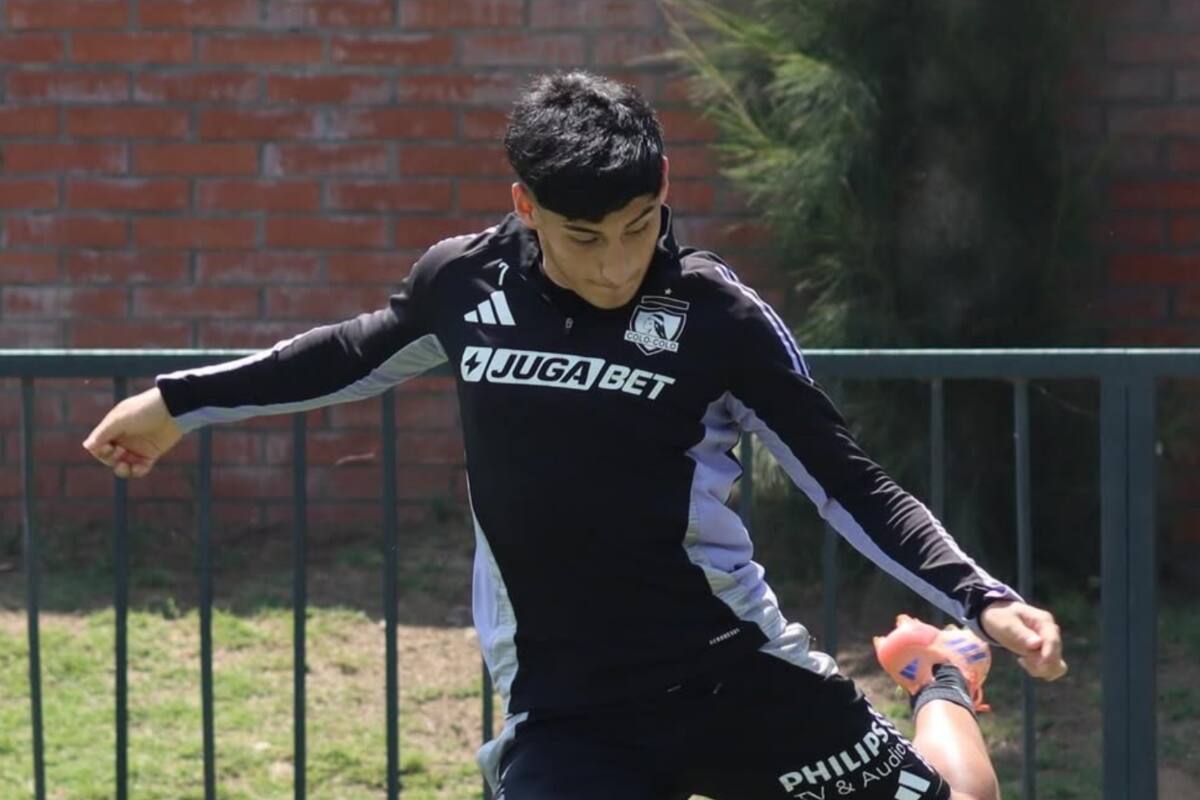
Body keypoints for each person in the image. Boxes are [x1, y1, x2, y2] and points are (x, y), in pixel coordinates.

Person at [83, 71, 1067, 800]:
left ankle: (940, 672)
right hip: (571, 703)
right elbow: (345, 351)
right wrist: (177, 402)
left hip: (731, 669)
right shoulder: (466, 285)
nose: (615, 265)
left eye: (639, 227)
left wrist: (981, 598)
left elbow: (849, 481)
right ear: (526, 207)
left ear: (664, 188)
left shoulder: (715, 316)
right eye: (584, 238)